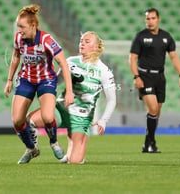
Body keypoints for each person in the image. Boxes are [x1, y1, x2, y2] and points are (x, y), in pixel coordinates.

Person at [27, 31, 117, 164]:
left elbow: (112, 99)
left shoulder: (104, 70)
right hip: (62, 110)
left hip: (80, 119)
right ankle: (34, 149)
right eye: (81, 40)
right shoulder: (69, 61)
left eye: (87, 41)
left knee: (74, 162)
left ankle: (75, 138)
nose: (82, 43)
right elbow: (56, 82)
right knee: (29, 120)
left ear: (97, 46)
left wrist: (104, 120)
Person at [3, 4, 74, 164]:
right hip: (26, 80)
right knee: (17, 121)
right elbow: (16, 56)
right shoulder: (18, 38)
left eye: (22, 27)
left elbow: (63, 63)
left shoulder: (46, 40)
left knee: (48, 117)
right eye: (17, 26)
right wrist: (9, 80)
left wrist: (69, 91)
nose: (19, 30)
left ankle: (54, 142)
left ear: (33, 25)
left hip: (46, 80)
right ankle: (31, 149)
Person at [129, 8, 180, 153]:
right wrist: (136, 76)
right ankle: (149, 144)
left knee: (157, 112)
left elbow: (174, 56)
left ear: (158, 19)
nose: (150, 21)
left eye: (153, 18)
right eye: (147, 18)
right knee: (153, 109)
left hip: (160, 77)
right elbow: (133, 58)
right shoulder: (140, 37)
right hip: (144, 76)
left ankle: (150, 142)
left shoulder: (166, 37)